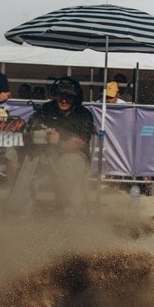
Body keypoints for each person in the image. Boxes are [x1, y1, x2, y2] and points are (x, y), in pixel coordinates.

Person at [29, 77, 95, 216]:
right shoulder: (46, 109)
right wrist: (34, 132)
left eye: (69, 97)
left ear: (75, 98)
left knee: (67, 162)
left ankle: (65, 208)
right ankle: (19, 206)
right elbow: (31, 128)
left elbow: (79, 144)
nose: (64, 100)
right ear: (55, 95)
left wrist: (59, 142)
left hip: (75, 157)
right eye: (61, 95)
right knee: (13, 155)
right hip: (44, 153)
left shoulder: (83, 115)